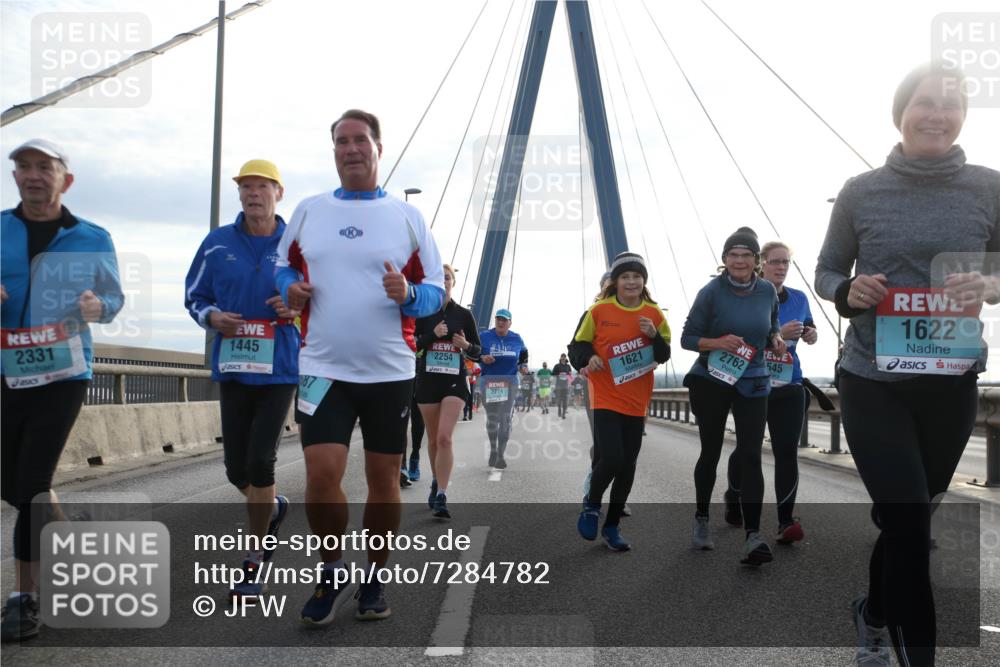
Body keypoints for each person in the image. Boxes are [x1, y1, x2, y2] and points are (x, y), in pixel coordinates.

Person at [816, 63, 999, 667]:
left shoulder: (989, 187)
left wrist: (989, 284)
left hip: (951, 382)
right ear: (902, 113)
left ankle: (872, 614)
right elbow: (826, 271)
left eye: (951, 103)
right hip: (873, 381)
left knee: (909, 524)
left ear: (963, 117)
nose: (937, 114)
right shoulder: (860, 190)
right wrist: (851, 292)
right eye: (925, 102)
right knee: (912, 527)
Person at [275, 109, 445, 625]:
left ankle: (374, 576)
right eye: (341, 141)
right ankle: (331, 570)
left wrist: (410, 293)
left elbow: (435, 293)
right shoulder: (309, 211)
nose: (351, 149)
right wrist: (291, 289)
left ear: (378, 148)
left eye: (360, 140)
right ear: (334, 151)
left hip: (388, 371)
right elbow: (282, 266)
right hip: (323, 367)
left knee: (382, 479)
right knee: (321, 475)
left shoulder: (407, 217)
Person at [1, 139, 124, 642]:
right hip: (7, 370)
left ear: (64, 180)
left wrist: (100, 306)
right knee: (12, 484)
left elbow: (114, 298)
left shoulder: (92, 236)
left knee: (30, 486)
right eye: (23, 167)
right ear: (15, 178)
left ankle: (23, 598)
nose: (33, 175)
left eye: (44, 167)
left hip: (64, 373)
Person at [184, 159, 299, 600]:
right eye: (246, 187)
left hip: (279, 367)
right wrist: (212, 317)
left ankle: (253, 564)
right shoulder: (216, 244)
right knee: (236, 469)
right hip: (232, 366)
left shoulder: (296, 244)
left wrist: (297, 310)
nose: (253, 194)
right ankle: (270, 508)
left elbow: (319, 296)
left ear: (278, 193)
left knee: (260, 462)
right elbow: (195, 296)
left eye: (262, 187)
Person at [681, 227, 786, 566]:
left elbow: (770, 326)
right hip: (712, 378)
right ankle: (701, 518)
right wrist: (717, 342)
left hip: (753, 379)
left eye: (746, 256)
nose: (739, 261)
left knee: (751, 455)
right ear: (724, 260)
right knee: (710, 451)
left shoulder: (768, 290)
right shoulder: (711, 291)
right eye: (733, 255)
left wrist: (775, 339)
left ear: (756, 261)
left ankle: (753, 535)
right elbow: (687, 338)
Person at [571, 252, 670, 551]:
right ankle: (591, 504)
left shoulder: (654, 314)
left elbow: (663, 355)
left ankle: (612, 526)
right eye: (625, 277)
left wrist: (654, 336)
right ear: (615, 281)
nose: (631, 281)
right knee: (612, 458)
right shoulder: (599, 311)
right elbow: (577, 345)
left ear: (644, 281)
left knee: (628, 466)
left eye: (636, 277)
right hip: (605, 397)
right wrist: (590, 357)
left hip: (636, 400)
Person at [723, 240, 817, 544]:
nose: (781, 268)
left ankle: (786, 521)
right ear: (762, 263)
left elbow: (809, 328)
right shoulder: (746, 296)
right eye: (775, 262)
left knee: (786, 452)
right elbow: (736, 343)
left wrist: (811, 334)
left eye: (785, 263)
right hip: (752, 385)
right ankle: (734, 494)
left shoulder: (800, 298)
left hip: (790, 384)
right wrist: (774, 336)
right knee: (748, 451)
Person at [414, 264, 481, 518]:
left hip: (454, 380)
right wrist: (432, 334)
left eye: (447, 278)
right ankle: (435, 478)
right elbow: (412, 346)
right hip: (428, 380)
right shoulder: (422, 314)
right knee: (432, 440)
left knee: (444, 437)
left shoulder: (463, 315)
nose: (443, 282)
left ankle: (442, 493)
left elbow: (478, 349)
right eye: (438, 278)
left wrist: (465, 344)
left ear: (453, 282)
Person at [478, 308, 528, 469]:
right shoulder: (484, 336)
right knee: (492, 419)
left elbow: (524, 354)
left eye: (504, 320)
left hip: (510, 381)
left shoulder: (516, 338)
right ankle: (493, 449)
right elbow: (472, 353)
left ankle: (500, 454)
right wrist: (482, 358)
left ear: (510, 323)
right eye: (498, 319)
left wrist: (523, 366)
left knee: (504, 419)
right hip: (489, 382)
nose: (500, 322)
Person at [552, 353, 573, 419]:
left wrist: (570, 381)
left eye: (564, 357)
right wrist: (559, 374)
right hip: (558, 385)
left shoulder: (568, 366)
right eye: (562, 357)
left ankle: (563, 414)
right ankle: (559, 410)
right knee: (559, 399)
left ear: (565, 358)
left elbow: (570, 375)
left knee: (565, 400)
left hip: (565, 385)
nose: (563, 358)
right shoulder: (557, 366)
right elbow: (553, 374)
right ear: (560, 358)